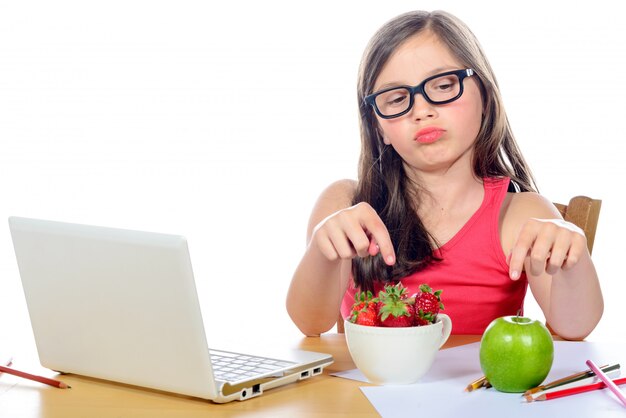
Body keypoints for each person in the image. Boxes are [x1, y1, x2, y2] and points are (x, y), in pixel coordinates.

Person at [285, 10, 603, 339]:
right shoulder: (345, 204)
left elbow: (575, 326)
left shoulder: (521, 213)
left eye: (443, 85)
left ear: (485, 97)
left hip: (478, 390)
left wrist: (573, 257)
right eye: (396, 99)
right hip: (367, 390)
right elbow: (311, 323)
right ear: (378, 127)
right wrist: (322, 253)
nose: (422, 110)